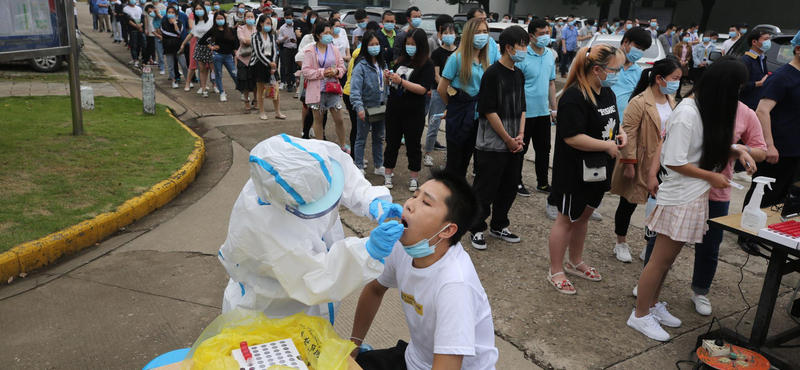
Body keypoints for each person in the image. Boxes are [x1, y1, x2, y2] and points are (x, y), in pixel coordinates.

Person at [219, 134, 404, 322]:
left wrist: (370, 199)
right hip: (273, 310)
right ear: (288, 204)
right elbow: (315, 277)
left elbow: (341, 171)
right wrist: (367, 251)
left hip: (304, 303)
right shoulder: (263, 225)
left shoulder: (306, 155)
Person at [629, 57, 748, 341]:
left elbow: (705, 146)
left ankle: (653, 306)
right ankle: (640, 314)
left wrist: (737, 151)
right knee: (659, 260)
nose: (739, 92)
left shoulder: (705, 109)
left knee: (666, 261)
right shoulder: (688, 112)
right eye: (737, 87)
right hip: (680, 196)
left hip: (693, 195)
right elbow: (675, 161)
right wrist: (711, 176)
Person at [350, 168, 498, 370]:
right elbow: (375, 289)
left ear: (447, 230)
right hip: (415, 359)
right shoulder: (403, 246)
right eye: (414, 195)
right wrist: (353, 345)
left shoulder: (455, 286)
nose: (409, 204)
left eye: (426, 202)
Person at [546, 44, 627, 294]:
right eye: (615, 69)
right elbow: (571, 137)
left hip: (600, 169)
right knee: (566, 219)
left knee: (584, 217)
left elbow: (613, 121)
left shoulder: (606, 92)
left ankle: (575, 260)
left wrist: (621, 134)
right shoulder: (574, 96)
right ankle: (556, 269)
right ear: (597, 69)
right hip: (575, 171)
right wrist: (606, 145)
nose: (618, 74)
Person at [609, 58, 680, 263]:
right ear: (659, 79)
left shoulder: (671, 99)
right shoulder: (639, 102)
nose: (677, 82)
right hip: (640, 161)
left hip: (663, 163)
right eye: (674, 78)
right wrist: (629, 164)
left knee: (657, 204)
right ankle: (620, 242)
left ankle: (650, 245)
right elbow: (627, 135)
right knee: (628, 202)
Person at [468, 26, 530, 251]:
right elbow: (488, 111)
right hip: (492, 145)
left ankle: (499, 225)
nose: (524, 50)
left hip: (515, 143)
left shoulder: (519, 74)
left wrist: (521, 135)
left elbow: (523, 107)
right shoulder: (492, 74)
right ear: (509, 47)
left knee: (509, 186)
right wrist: (507, 138)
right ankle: (476, 228)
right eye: (522, 45)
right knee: (485, 188)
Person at [739, 31, 800, 256]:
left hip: (795, 148)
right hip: (778, 147)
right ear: (798, 49)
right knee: (763, 191)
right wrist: (770, 145)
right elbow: (762, 110)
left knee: (782, 195)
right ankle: (746, 233)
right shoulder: (782, 76)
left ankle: (768, 230)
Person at [382, 28, 435, 191]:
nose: (410, 46)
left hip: (414, 110)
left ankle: (414, 177)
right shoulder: (400, 61)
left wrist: (401, 82)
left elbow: (423, 89)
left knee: (413, 144)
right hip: (394, 108)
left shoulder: (427, 64)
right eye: (408, 43)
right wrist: (388, 79)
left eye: (413, 44)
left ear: (421, 45)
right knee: (392, 142)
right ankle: (388, 174)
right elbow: (393, 84)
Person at [438, 17, 491, 178]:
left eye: (485, 32)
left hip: (477, 117)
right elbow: (442, 88)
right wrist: (453, 106)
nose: (482, 36)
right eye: (478, 32)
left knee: (466, 160)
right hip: (459, 116)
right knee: (454, 162)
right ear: (469, 35)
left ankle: (459, 194)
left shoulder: (485, 59)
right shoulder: (456, 58)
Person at [516, 19, 557, 196]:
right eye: (541, 34)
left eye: (547, 32)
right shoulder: (522, 56)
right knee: (521, 149)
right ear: (531, 36)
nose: (546, 36)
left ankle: (542, 183)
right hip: (524, 112)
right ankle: (515, 181)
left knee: (544, 148)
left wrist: (554, 109)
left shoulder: (549, 54)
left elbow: (551, 83)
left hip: (543, 111)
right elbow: (515, 85)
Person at [302, 21, 349, 151]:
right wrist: (323, 72)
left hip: (332, 88)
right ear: (318, 35)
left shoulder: (333, 49)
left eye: (330, 32)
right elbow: (306, 71)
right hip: (317, 90)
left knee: (339, 119)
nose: (329, 35)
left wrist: (336, 72)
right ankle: (320, 146)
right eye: (326, 33)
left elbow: (341, 66)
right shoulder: (310, 50)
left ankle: (343, 145)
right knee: (318, 119)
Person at [350, 31, 388, 176]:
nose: (375, 47)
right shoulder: (361, 65)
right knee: (361, 138)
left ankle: (379, 165)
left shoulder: (381, 64)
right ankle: (358, 165)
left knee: (378, 137)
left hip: (380, 106)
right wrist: (359, 107)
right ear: (365, 46)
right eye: (371, 45)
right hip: (365, 108)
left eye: (377, 44)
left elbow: (385, 86)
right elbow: (355, 89)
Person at [422, 22, 457, 167]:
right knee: (433, 124)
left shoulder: (459, 51)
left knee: (453, 126)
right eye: (445, 33)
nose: (448, 36)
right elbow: (436, 75)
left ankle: (450, 156)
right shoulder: (437, 53)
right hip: (439, 91)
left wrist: (453, 89)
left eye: (451, 32)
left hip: (455, 93)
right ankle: (428, 153)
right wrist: (445, 86)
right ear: (440, 35)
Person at [612, 27, 652, 124]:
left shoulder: (638, 71)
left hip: (622, 126)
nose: (640, 52)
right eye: (638, 48)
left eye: (643, 50)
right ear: (626, 42)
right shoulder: (608, 63)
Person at [199, 11, 240, 102]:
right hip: (217, 55)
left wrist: (236, 54)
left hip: (228, 56)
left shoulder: (230, 30)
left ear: (225, 19)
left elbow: (234, 44)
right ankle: (222, 92)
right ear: (215, 20)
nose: (220, 20)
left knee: (234, 74)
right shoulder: (213, 30)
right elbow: (202, 40)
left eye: (222, 18)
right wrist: (211, 47)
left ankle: (242, 92)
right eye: (218, 19)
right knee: (218, 75)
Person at [250, 13, 284, 120]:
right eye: (267, 23)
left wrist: (273, 63)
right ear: (261, 23)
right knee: (261, 89)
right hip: (260, 63)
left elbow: (274, 50)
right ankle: (262, 112)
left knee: (275, 88)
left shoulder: (272, 36)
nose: (269, 25)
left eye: (270, 23)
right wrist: (268, 64)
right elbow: (258, 52)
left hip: (271, 62)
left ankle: (277, 111)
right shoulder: (255, 36)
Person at [180, 2, 213, 97]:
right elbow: (191, 34)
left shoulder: (210, 21)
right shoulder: (196, 22)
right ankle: (203, 89)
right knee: (201, 68)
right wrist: (183, 43)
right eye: (197, 9)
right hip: (199, 46)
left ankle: (214, 85)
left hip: (209, 45)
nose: (199, 11)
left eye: (200, 9)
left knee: (210, 68)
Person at [739, 30, 771, 110]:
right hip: (746, 104)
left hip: (757, 102)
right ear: (754, 42)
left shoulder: (762, 58)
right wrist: (758, 83)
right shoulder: (746, 60)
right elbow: (740, 85)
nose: (768, 42)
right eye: (765, 39)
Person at [160, 5, 188, 89]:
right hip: (168, 46)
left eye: (173, 12)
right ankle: (173, 80)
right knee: (170, 65)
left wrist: (175, 23)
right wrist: (176, 35)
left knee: (183, 64)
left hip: (178, 46)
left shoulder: (179, 22)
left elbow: (179, 32)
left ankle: (188, 80)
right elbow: (164, 32)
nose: (171, 14)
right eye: (169, 12)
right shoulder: (164, 23)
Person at [235, 10, 256, 112]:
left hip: (255, 58)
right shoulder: (240, 28)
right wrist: (254, 40)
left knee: (255, 81)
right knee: (245, 82)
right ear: (244, 19)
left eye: (252, 17)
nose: (250, 19)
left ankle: (256, 100)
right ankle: (246, 100)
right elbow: (243, 40)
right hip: (243, 58)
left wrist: (250, 40)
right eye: (248, 17)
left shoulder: (257, 29)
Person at [277, 7, 298, 92]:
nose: (288, 20)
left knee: (296, 67)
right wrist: (284, 38)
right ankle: (288, 84)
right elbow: (279, 39)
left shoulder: (296, 26)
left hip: (295, 49)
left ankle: (295, 83)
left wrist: (296, 40)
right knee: (287, 67)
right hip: (287, 49)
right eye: (287, 18)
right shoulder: (282, 28)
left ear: (293, 18)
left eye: (290, 18)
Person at [124, 0, 145, 67]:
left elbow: (142, 18)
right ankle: (135, 60)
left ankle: (142, 58)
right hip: (132, 30)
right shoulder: (126, 9)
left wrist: (141, 25)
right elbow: (128, 20)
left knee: (143, 44)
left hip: (140, 29)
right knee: (134, 45)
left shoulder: (139, 8)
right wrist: (136, 26)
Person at [674, 32, 693, 99]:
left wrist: (686, 61)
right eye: (686, 36)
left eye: (688, 36)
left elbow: (690, 55)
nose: (687, 37)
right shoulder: (678, 45)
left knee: (682, 79)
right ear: (682, 37)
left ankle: (678, 93)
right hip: (678, 63)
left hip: (685, 64)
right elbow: (675, 54)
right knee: (676, 78)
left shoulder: (689, 46)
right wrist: (680, 61)